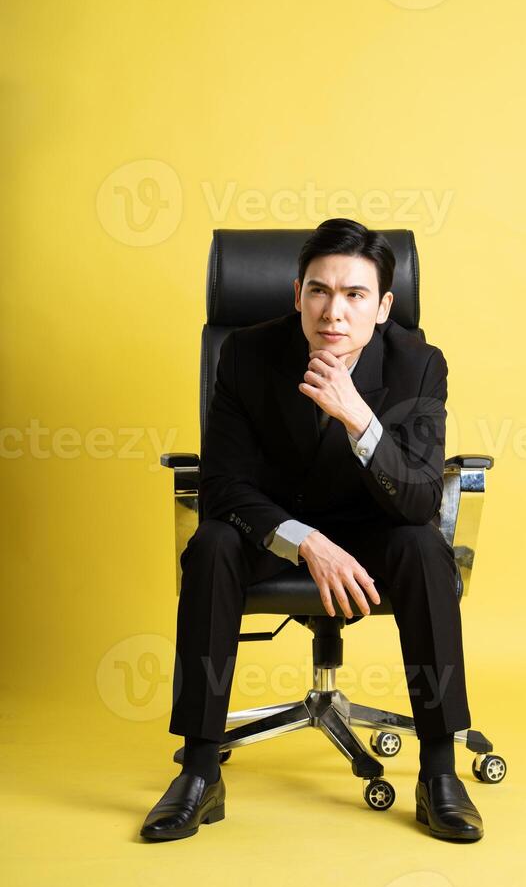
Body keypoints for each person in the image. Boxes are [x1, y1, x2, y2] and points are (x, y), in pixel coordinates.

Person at [140, 218, 484, 843]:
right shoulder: (245, 353)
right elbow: (222, 485)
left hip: (374, 530)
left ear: (383, 307)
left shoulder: (418, 366)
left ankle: (439, 773)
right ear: (297, 294)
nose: (334, 312)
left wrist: (359, 418)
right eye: (319, 291)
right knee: (212, 542)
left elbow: (416, 500)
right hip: (275, 531)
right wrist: (305, 541)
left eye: (355, 295)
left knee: (425, 546)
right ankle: (198, 772)